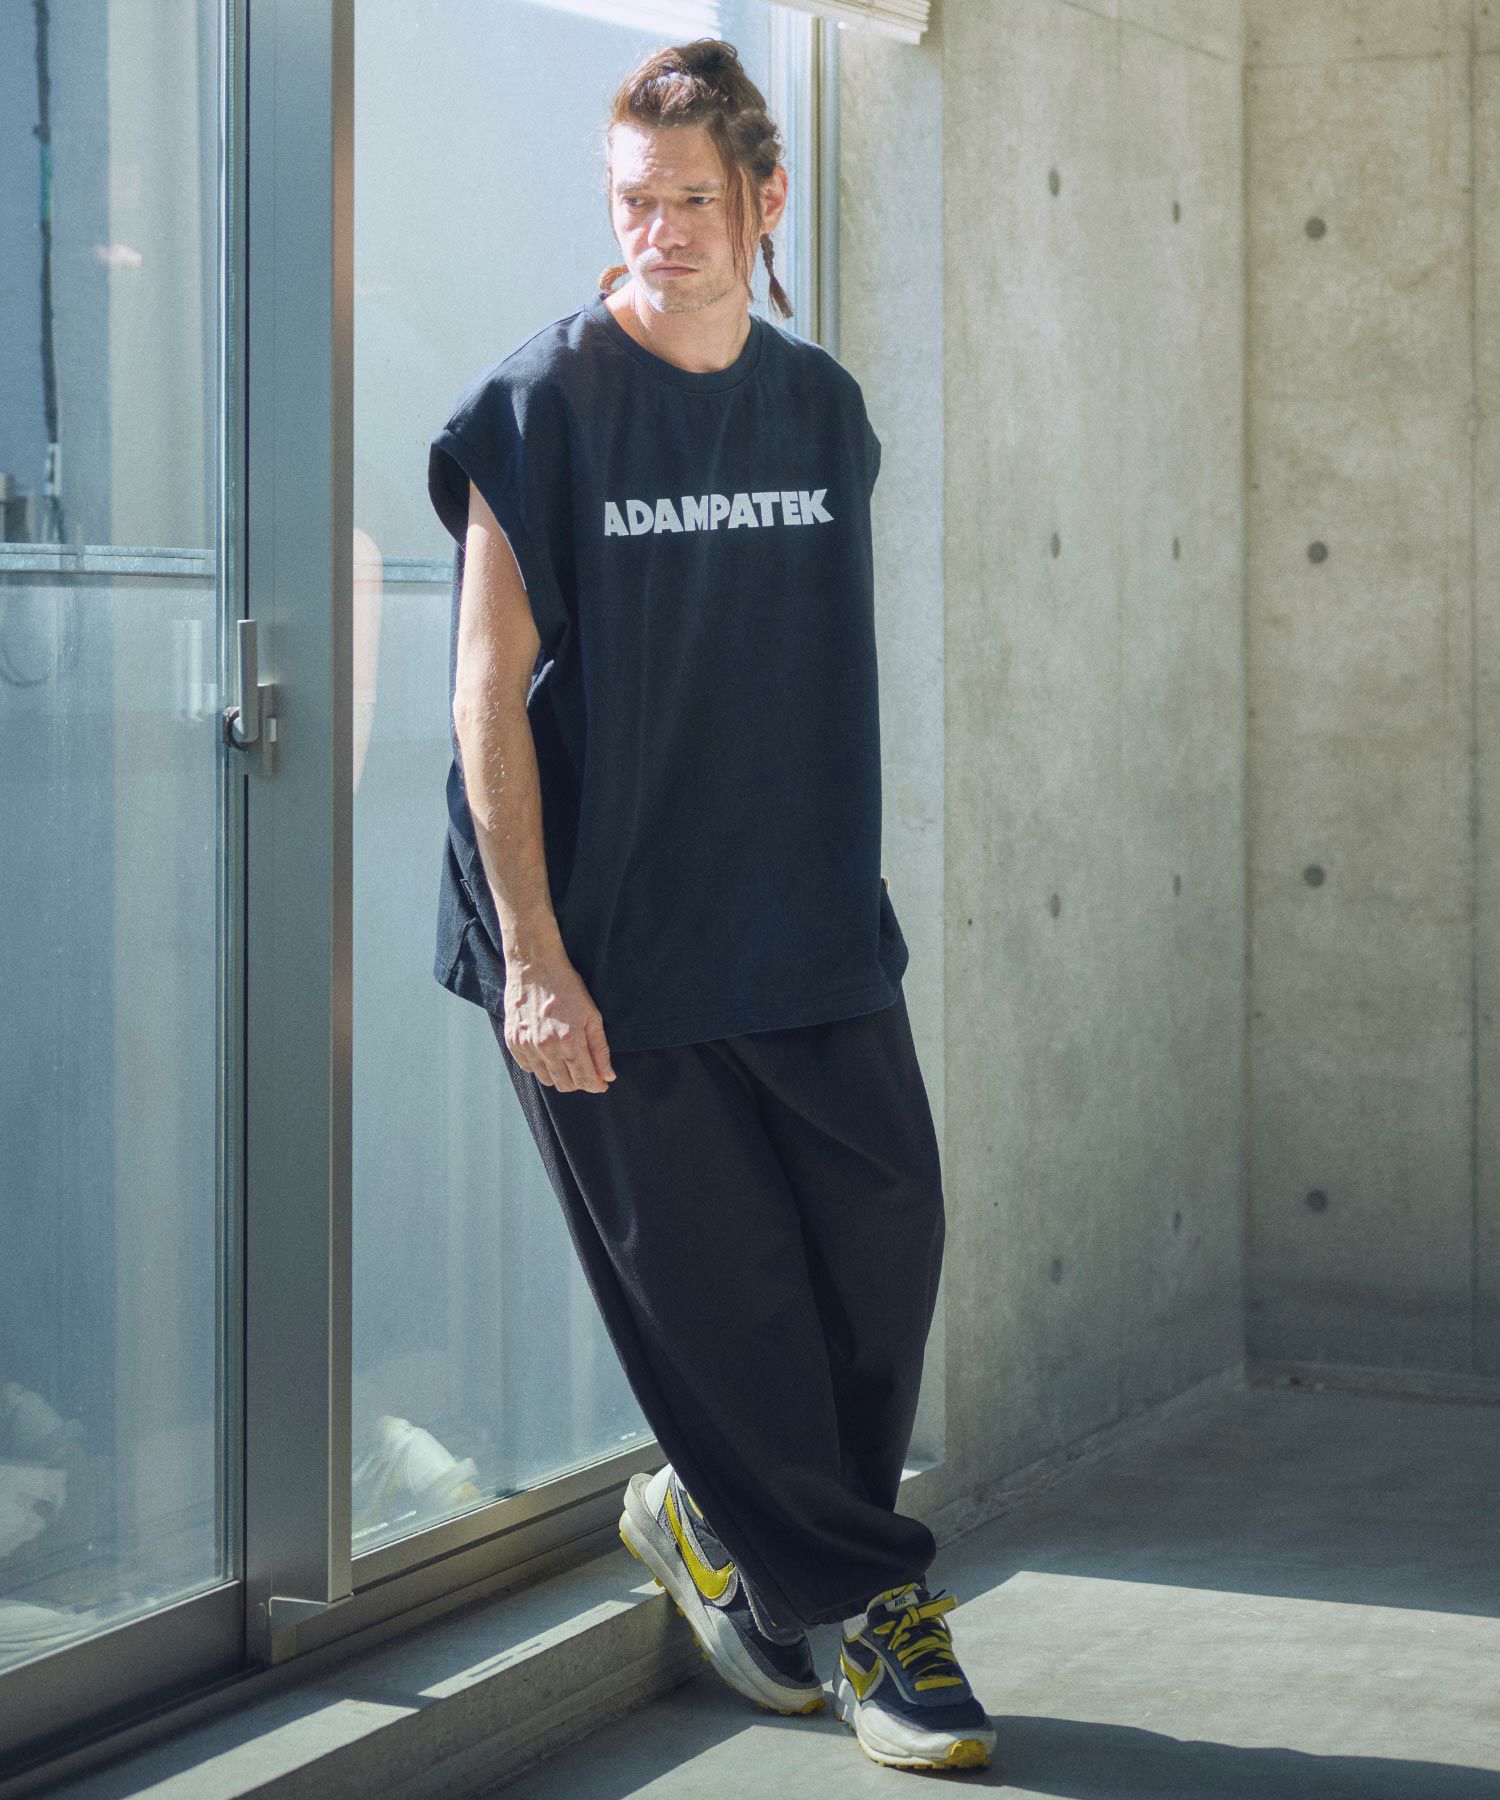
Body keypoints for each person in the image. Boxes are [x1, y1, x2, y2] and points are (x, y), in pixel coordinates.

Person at [425, 37, 996, 1775]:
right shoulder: (542, 408)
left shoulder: (821, 409)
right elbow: (482, 701)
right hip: (603, 934)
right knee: (726, 1300)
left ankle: (720, 1527)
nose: (657, 231)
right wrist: (536, 960)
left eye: (690, 199)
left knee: (887, 1245)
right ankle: (875, 1618)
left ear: (766, 201)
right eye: (631, 200)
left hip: (802, 918)